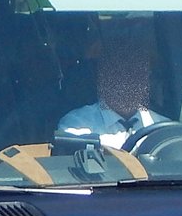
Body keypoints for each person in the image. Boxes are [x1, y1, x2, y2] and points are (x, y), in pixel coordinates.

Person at [56, 22, 168, 150]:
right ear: (102, 76)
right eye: (119, 71)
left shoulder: (165, 129)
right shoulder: (77, 126)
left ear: (148, 77)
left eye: (137, 71)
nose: (128, 79)